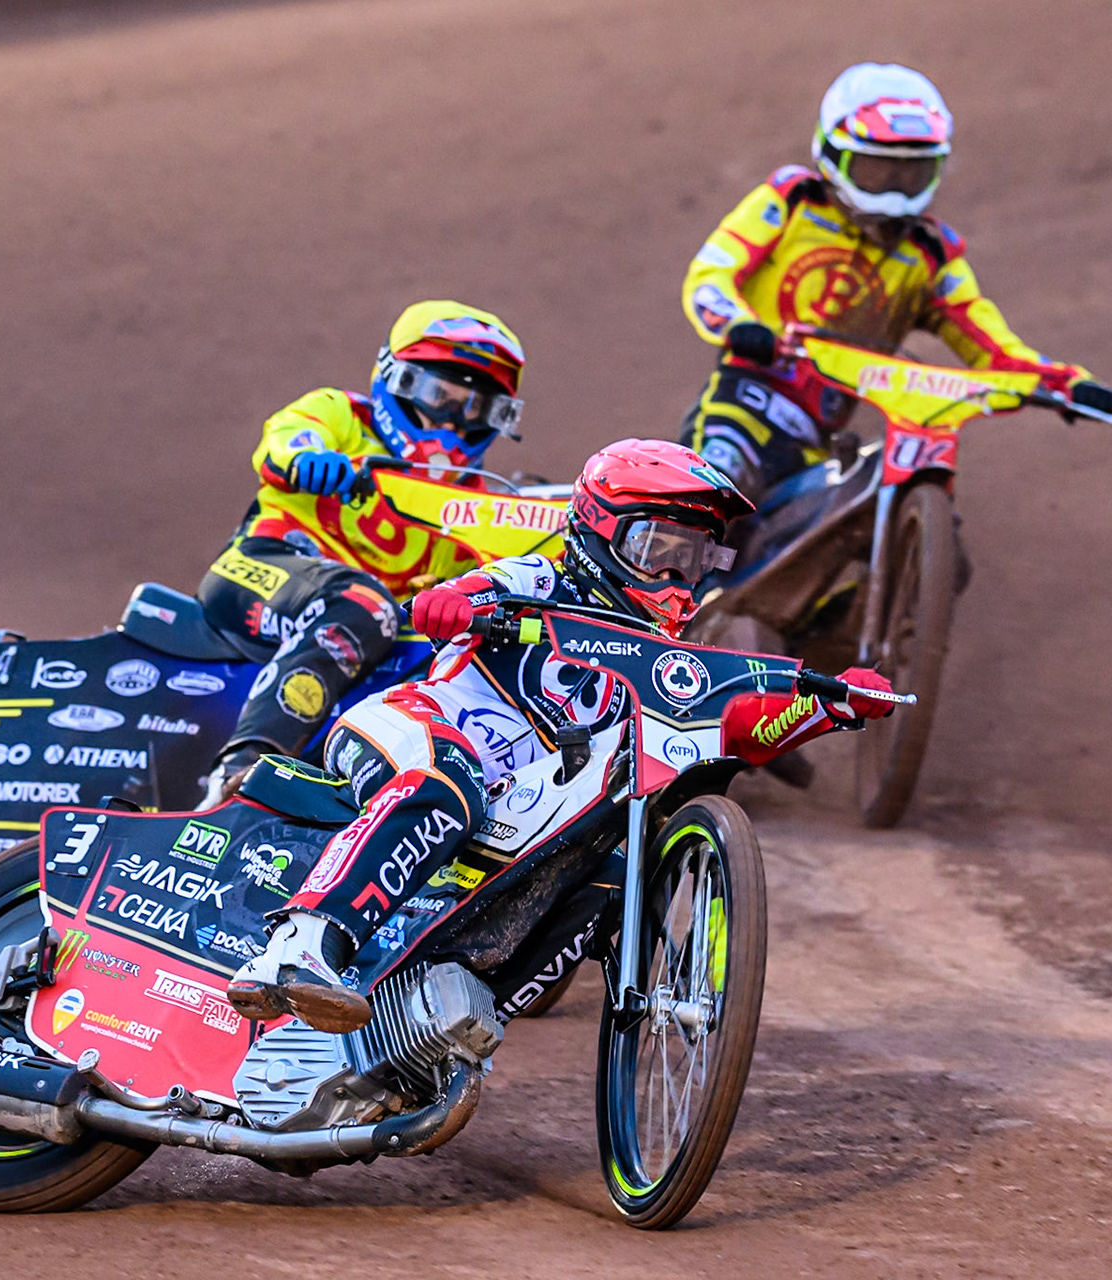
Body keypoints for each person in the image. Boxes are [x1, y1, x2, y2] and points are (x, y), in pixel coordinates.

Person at [226, 439, 895, 1032]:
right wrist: (453, 603)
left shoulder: (668, 669)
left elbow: (740, 726)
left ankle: (452, 1022)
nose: (674, 577)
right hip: (410, 730)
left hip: (504, 810)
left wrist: (834, 705)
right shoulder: (543, 581)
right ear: (601, 532)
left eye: (693, 559)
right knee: (445, 782)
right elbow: (482, 588)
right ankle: (301, 945)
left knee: (609, 857)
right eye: (655, 549)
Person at [678, 62, 1112, 516]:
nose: (893, 195)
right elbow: (711, 273)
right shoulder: (793, 201)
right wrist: (739, 324)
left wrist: (1064, 384)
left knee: (903, 547)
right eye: (876, 171)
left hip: (828, 435)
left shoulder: (931, 254)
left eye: (911, 175)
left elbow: (993, 346)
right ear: (831, 154)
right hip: (752, 397)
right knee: (710, 484)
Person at [196, 300, 528, 807]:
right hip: (260, 570)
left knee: (458, 656)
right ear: (396, 378)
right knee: (364, 604)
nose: (456, 423)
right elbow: (283, 440)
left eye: (478, 408)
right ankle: (242, 770)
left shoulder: (477, 505)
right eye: (441, 395)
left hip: (370, 635)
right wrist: (308, 459)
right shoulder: (340, 414)